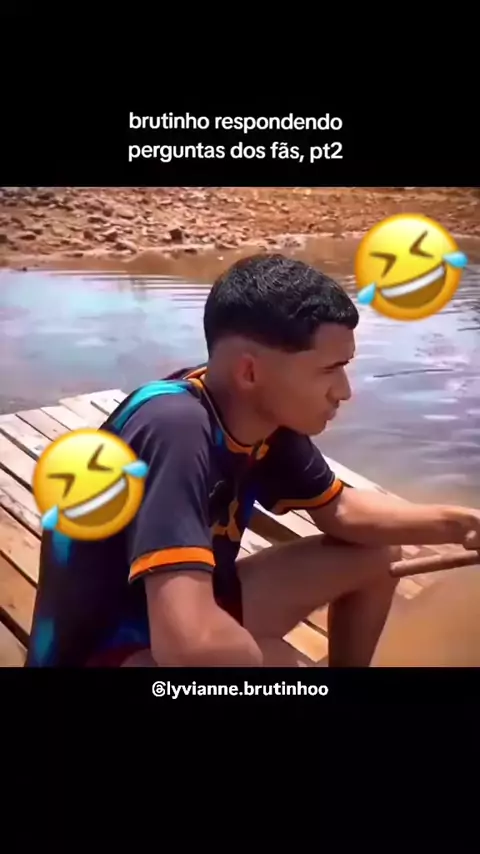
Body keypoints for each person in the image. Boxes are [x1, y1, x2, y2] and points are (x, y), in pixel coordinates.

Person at [26, 254, 480, 668]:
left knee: (376, 554)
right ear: (250, 371)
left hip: (162, 615)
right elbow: (189, 648)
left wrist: (461, 524)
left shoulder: (257, 412)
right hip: (106, 651)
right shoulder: (173, 427)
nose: (344, 391)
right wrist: (279, 664)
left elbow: (341, 511)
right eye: (328, 370)